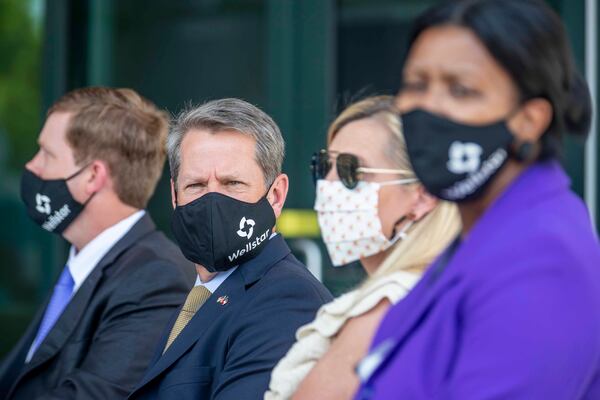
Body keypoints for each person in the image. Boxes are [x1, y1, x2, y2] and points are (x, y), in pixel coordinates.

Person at [355, 1, 600, 399]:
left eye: (461, 90)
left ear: (529, 120)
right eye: (416, 84)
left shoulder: (543, 257)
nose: (428, 106)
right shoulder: (478, 234)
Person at [127, 98, 332, 400]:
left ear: (275, 195)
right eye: (196, 185)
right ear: (174, 195)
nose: (212, 202)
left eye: (232, 183)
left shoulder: (287, 300)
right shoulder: (203, 295)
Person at [0, 87, 195, 399]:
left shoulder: (156, 279)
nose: (32, 167)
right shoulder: (83, 267)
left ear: (92, 176)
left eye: (47, 154)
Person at [265, 96, 460, 400]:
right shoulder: (438, 285)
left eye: (351, 171)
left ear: (421, 196)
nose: (328, 185)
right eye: (324, 166)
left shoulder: (389, 304)